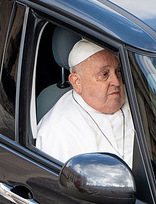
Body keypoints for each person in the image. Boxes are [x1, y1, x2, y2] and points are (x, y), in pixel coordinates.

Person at [36, 39, 134, 167]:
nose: (116, 81)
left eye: (118, 71)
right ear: (77, 82)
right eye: (104, 74)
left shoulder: (136, 97)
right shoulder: (58, 130)